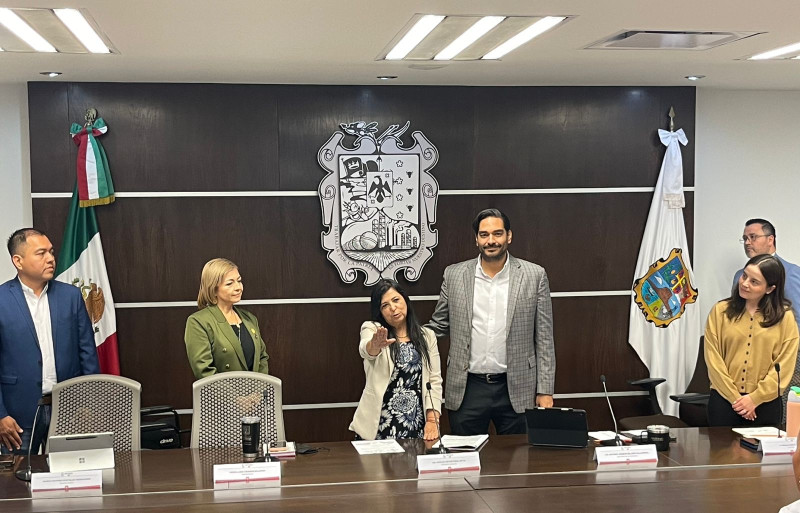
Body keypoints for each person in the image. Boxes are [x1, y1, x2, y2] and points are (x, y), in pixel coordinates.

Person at [427, 208, 556, 436]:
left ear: (509, 236)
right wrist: (404, 336)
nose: (491, 241)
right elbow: (438, 326)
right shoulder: (454, 275)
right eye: (484, 235)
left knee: (518, 464)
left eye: (497, 234)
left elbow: (544, 338)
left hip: (517, 388)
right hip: (468, 388)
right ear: (476, 239)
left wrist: (545, 390)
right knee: (465, 460)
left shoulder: (534, 275)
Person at [0, 228, 100, 454]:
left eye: (52, 252)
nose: (51, 259)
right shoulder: (2, 299)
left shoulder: (71, 296)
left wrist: (89, 404)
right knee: (15, 486)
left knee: (73, 480)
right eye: (41, 253)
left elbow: (87, 353)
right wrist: (0, 415)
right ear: (18, 261)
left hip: (69, 409)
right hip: (16, 417)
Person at [706, 254, 799, 426]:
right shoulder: (720, 311)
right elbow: (713, 360)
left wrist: (755, 399)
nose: (744, 283)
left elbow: (784, 366)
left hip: (766, 405)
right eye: (744, 276)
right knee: (721, 453)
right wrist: (736, 399)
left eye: (754, 281)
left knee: (760, 453)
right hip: (724, 402)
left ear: (770, 288)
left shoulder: (785, 318)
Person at [350, 279, 442, 440]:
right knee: (377, 466)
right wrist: (375, 345)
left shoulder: (427, 336)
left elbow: (434, 380)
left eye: (396, 300)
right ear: (380, 311)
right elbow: (366, 350)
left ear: (405, 300)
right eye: (385, 305)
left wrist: (433, 420)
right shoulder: (373, 329)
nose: (392, 308)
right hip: (380, 423)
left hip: (415, 422)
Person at [733, 219, 800, 414]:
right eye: (745, 238)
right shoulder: (739, 276)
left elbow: (798, 318)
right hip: (746, 356)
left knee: (782, 413)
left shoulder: (791, 273)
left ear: (770, 239)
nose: (747, 242)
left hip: (783, 358)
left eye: (753, 237)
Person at [185, 258, 269, 379]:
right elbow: (204, 370)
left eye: (239, 281)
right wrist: (234, 398)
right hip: (221, 397)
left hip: (255, 396)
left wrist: (258, 391)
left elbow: (262, 358)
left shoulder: (250, 319)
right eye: (230, 283)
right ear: (213, 289)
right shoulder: (198, 322)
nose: (238, 287)